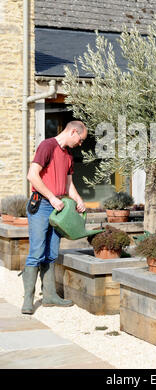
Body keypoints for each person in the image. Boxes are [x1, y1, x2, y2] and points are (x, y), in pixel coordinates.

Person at [21, 120, 88, 314]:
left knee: (51, 252)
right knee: (36, 251)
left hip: (58, 208)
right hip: (42, 204)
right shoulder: (47, 146)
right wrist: (51, 197)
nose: (80, 144)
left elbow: (68, 184)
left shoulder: (68, 155)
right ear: (74, 132)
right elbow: (32, 175)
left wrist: (78, 200)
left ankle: (49, 295)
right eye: (81, 140)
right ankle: (28, 300)